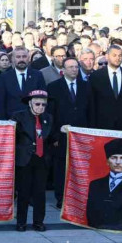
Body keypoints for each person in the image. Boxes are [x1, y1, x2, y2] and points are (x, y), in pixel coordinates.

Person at [48, 57, 93, 209]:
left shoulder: (86, 86)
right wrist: (54, 135)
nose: (74, 69)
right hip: (62, 134)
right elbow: (50, 113)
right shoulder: (54, 87)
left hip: (82, 134)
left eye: (76, 67)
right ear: (64, 70)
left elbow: (91, 110)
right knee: (61, 167)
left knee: (79, 166)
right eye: (71, 67)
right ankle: (61, 197)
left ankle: (78, 197)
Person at [12, 90, 53, 232]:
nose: (40, 107)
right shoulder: (19, 117)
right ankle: (21, 222)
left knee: (40, 193)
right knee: (23, 192)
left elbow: (51, 138)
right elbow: (12, 137)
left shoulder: (48, 118)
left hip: (42, 160)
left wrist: (62, 130)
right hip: (25, 160)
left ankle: (38, 222)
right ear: (29, 103)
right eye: (37, 104)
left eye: (43, 105)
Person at [86, 139, 122, 231]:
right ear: (107, 162)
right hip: (97, 226)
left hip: (120, 226)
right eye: (113, 157)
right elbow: (90, 210)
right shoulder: (95, 184)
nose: (118, 162)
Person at [90, 45, 122, 131]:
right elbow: (92, 102)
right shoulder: (96, 76)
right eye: (114, 55)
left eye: (120, 55)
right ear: (107, 56)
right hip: (102, 125)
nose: (118, 58)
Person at [0, 47, 46, 119]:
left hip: (33, 119)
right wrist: (4, 121)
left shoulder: (38, 75)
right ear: (13, 59)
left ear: (29, 58)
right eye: (18, 57)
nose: (21, 59)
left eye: (24, 56)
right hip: (11, 120)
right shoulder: (5, 77)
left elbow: (43, 98)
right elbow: (0, 101)